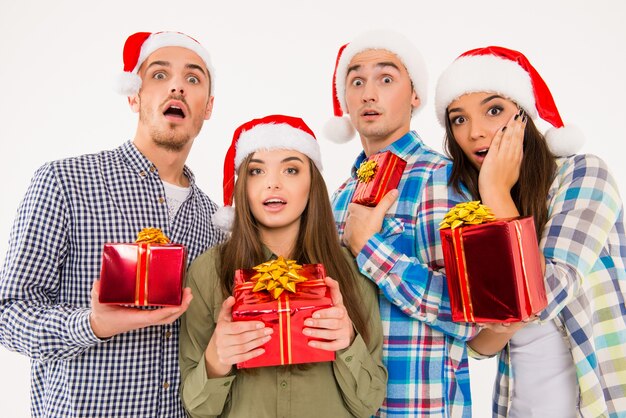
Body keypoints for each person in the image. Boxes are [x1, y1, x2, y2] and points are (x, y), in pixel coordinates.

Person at [0, 31, 226, 417]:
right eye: (159, 75)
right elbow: (8, 314)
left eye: (193, 79)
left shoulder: (213, 221)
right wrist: (92, 324)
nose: (177, 86)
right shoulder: (64, 183)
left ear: (207, 107)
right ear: (134, 95)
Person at [434, 46, 626, 417]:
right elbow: (478, 344)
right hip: (517, 405)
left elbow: (548, 290)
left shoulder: (584, 175)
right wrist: (502, 326)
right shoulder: (470, 208)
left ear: (526, 115)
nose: (475, 132)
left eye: (494, 110)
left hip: (595, 403)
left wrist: (496, 192)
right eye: (458, 120)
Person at [179, 114, 386, 418]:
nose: (273, 183)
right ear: (242, 187)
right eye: (256, 171)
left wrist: (348, 342)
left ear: (312, 183)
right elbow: (198, 409)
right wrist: (216, 359)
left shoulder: (350, 271)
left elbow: (368, 403)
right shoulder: (207, 272)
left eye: (291, 169)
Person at [325, 30, 479, 417]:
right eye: (356, 81)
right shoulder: (340, 193)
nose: (368, 93)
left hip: (413, 407)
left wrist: (369, 248)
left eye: (386, 78)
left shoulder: (438, 178)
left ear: (415, 95)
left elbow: (470, 314)